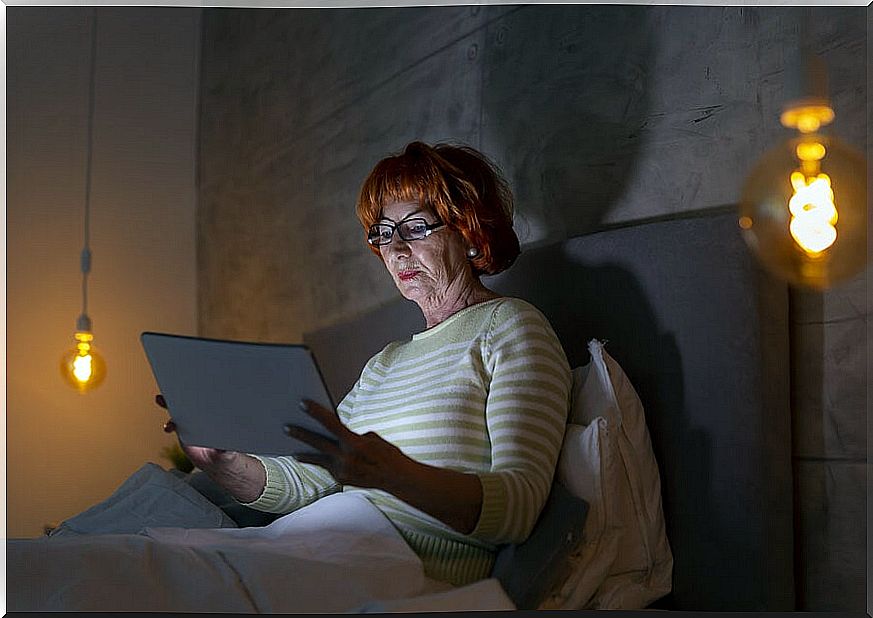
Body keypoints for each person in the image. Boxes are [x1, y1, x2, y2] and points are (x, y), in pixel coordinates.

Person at [159, 141, 572, 586]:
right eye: (382, 232)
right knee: (129, 564)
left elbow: (520, 507)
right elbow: (305, 481)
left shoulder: (509, 326)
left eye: (415, 227)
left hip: (406, 574)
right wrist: (219, 460)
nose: (393, 249)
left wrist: (395, 474)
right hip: (326, 550)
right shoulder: (383, 363)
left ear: (470, 233)